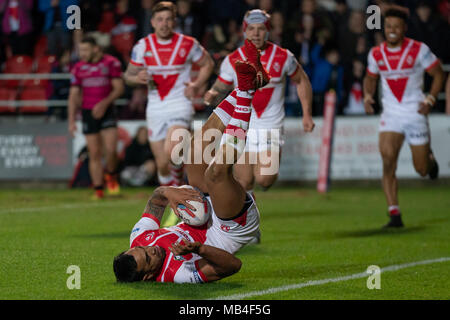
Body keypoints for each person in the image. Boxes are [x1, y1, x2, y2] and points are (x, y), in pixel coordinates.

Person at [113, 40, 268, 283]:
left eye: (141, 249)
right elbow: (234, 266)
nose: (150, 249)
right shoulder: (177, 274)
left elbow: (155, 202)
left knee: (194, 151)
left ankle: (247, 86)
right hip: (229, 228)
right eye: (148, 258)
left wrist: (167, 193)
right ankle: (247, 91)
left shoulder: (139, 239)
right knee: (216, 173)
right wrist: (199, 249)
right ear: (147, 276)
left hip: (205, 207)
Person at [204, 9, 314, 195]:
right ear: (244, 31)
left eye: (261, 29)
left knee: (265, 179)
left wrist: (307, 114)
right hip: (242, 123)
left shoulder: (284, 57)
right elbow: (222, 84)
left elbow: (301, 80)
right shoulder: (233, 59)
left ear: (268, 31)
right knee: (244, 181)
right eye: (251, 29)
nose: (256, 33)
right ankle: (246, 220)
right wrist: (212, 92)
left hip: (271, 126)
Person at [363, 6, 445, 228]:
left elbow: (438, 73)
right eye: (388, 26)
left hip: (415, 113)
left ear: (404, 29)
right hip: (391, 114)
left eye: (396, 27)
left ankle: (428, 160)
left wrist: (430, 99)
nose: (391, 30)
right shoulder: (376, 53)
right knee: (388, 158)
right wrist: (368, 95)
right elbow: (370, 78)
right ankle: (394, 213)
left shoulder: (419, 50)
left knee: (421, 171)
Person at [68, 36, 125, 199]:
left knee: (111, 150)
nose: (82, 54)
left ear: (96, 49)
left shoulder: (111, 63)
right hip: (88, 113)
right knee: (94, 153)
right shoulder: (78, 68)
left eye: (85, 50)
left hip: (107, 111)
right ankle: (98, 189)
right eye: (80, 50)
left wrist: (104, 104)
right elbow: (73, 96)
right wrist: (72, 121)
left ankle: (112, 175)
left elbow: (119, 88)